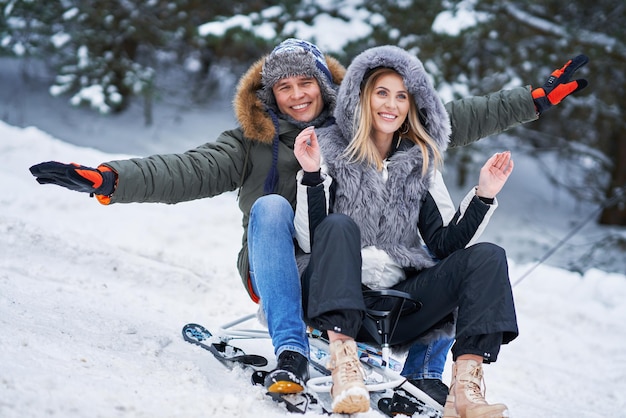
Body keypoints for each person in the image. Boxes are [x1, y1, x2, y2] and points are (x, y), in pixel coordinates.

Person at [27, 38, 587, 409]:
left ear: (326, 84)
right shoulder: (251, 142)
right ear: (269, 95)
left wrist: (536, 99)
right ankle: (292, 347)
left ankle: (427, 372)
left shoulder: (359, 126)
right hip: (284, 261)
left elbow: (450, 118)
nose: (296, 95)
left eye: (306, 83)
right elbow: (182, 170)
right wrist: (109, 179)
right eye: (283, 87)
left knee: (427, 233)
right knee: (273, 208)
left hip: (356, 264)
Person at [292, 45, 518, 416]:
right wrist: (313, 174)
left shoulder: (419, 162)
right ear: (362, 97)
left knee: (487, 257)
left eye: (402, 96)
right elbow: (311, 241)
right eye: (382, 93)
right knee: (339, 225)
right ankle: (345, 367)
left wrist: (483, 195)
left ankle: (465, 387)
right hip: (333, 299)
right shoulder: (328, 148)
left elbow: (445, 244)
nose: (391, 104)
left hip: (397, 307)